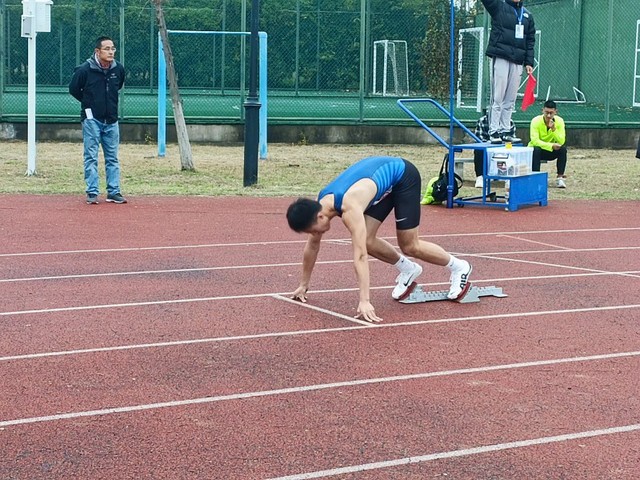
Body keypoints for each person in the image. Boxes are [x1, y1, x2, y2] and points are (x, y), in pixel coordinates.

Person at [286, 156, 473, 323]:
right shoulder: (320, 204)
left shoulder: (350, 207)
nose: (314, 234)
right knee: (367, 240)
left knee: (409, 245)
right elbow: (312, 247)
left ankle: (459, 267)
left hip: (403, 176)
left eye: (312, 230)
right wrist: (303, 284)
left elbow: (360, 256)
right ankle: (408, 269)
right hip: (382, 184)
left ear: (319, 217)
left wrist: (364, 301)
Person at [69, 36, 127, 204]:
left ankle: (113, 192)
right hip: (91, 120)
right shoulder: (84, 70)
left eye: (113, 48)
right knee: (91, 156)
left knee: (112, 157)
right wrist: (89, 103)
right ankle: (92, 192)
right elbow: (73, 89)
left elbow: (118, 85)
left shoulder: (118, 69)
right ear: (97, 51)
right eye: (107, 49)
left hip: (112, 120)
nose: (111, 52)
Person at [481, 0, 535, 144]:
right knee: (498, 96)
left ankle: (506, 130)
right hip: (501, 56)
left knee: (510, 98)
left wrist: (529, 62)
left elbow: (530, 41)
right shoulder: (499, 6)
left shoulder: (527, 15)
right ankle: (493, 131)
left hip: (517, 60)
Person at [528, 100, 568, 188]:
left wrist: (554, 129)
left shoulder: (560, 121)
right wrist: (550, 145)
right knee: (536, 149)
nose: (549, 115)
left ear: (555, 112)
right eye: (546, 112)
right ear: (542, 110)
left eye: (551, 113)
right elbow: (534, 141)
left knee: (563, 149)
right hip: (538, 151)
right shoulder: (535, 121)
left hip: (551, 151)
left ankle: (560, 178)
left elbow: (561, 141)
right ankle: (536, 178)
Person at [473, 112, 517, 188]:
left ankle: (509, 179)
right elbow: (480, 140)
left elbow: (511, 140)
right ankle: (480, 177)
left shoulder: (510, 122)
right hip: (487, 148)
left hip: (503, 148)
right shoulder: (482, 121)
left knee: (512, 151)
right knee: (478, 150)